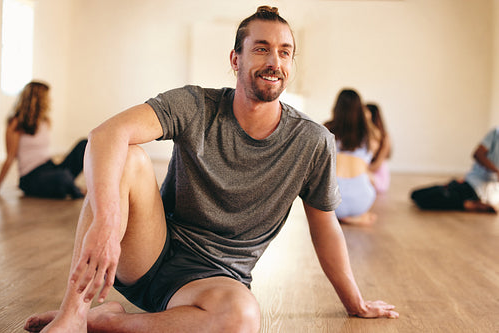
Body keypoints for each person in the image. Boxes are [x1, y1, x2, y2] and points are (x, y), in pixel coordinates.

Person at [24, 6, 398, 333]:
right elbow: (105, 134)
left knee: (243, 318)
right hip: (150, 252)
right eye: (262, 49)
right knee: (127, 155)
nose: (275, 61)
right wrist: (106, 224)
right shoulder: (195, 105)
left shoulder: (312, 141)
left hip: (212, 283)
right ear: (236, 59)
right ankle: (73, 317)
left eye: (285, 52)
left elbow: (326, 228)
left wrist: (356, 303)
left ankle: (107, 322)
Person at [0, 81, 87, 199]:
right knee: (63, 177)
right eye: (47, 97)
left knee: (84, 144)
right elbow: (10, 157)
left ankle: (67, 185)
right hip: (31, 176)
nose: (50, 100)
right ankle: (76, 190)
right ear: (38, 99)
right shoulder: (16, 123)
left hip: (48, 167)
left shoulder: (45, 121)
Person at [323, 89, 379, 226]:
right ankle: (353, 217)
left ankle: (340, 217)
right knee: (370, 177)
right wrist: (366, 118)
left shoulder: (326, 130)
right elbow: (375, 148)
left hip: (332, 202)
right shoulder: (371, 136)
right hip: (361, 201)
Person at [411, 127, 499, 212]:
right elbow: (478, 154)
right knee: (415, 194)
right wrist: (496, 171)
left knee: (422, 199)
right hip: (469, 183)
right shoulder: (496, 133)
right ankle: (466, 203)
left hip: (476, 190)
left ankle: (470, 205)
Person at [366, 103, 392, 194]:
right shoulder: (363, 136)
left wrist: (358, 171)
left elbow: (377, 164)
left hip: (377, 176)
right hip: (366, 172)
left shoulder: (384, 137)